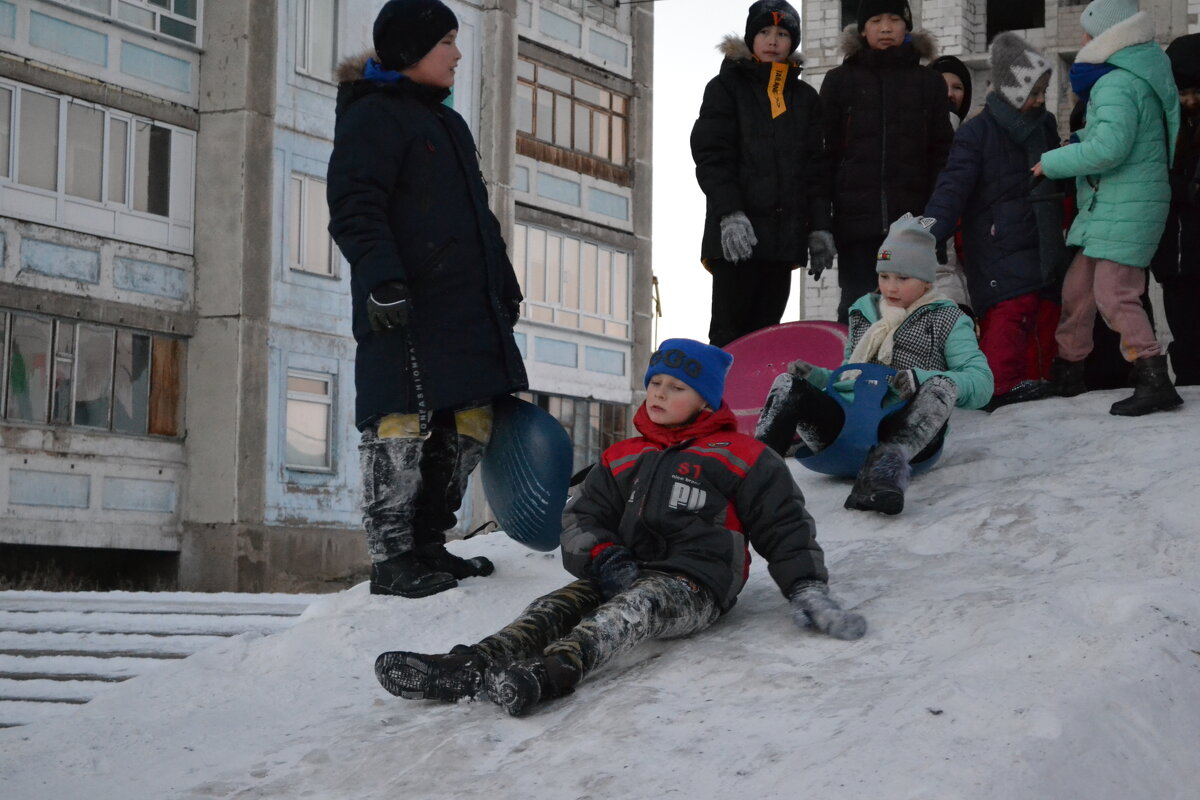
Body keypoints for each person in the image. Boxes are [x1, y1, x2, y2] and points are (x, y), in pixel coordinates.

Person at [375, 338, 866, 717]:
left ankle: (551, 672)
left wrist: (806, 587)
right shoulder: (622, 456)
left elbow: (783, 524)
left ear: (706, 402)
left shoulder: (742, 457)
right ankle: (472, 665)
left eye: (677, 389)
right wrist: (604, 556)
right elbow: (580, 518)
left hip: (693, 584)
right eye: (656, 384)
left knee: (636, 608)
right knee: (556, 604)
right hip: (621, 568)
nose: (660, 394)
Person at [327, 0, 528, 598]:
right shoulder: (372, 117)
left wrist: (504, 284)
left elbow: (477, 219)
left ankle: (431, 545)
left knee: (469, 421)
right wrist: (384, 280)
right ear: (412, 50)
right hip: (406, 306)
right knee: (401, 422)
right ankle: (392, 558)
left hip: (465, 307)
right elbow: (354, 205)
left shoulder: (448, 122)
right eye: (446, 41)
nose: (458, 54)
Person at [756, 214, 993, 515]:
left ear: (925, 280)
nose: (890, 287)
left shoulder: (947, 319)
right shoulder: (864, 313)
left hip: (901, 432)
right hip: (845, 428)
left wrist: (920, 378)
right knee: (787, 383)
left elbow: (982, 382)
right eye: (884, 276)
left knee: (941, 385)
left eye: (903, 278)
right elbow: (851, 376)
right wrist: (817, 377)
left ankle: (881, 477)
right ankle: (751, 473)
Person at [1034, 0, 1183, 416]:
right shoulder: (1130, 77)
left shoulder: (1117, 82)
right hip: (1111, 204)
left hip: (1126, 204)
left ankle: (1153, 375)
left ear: (1108, 38)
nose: (1082, 41)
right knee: (1077, 292)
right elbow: (1115, 132)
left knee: (1114, 293)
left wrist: (1052, 162)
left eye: (1088, 32)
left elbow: (1111, 149)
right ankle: (1069, 374)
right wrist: (1079, 139)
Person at [924, 33, 1067, 411]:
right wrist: (926, 233)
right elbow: (952, 187)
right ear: (1011, 90)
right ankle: (997, 396)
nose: (1039, 100)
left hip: (1045, 247)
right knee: (1006, 330)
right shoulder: (977, 132)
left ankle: (1041, 402)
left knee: (1045, 327)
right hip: (999, 253)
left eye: (1044, 91)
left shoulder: (1046, 126)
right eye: (1032, 92)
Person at [690, 0, 834, 347]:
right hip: (737, 239)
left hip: (783, 243)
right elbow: (712, 155)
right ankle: (721, 402)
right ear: (751, 38)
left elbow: (816, 170)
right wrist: (730, 214)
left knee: (767, 341)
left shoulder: (804, 98)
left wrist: (819, 228)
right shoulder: (725, 87)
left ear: (792, 42)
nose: (773, 40)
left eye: (782, 34)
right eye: (765, 32)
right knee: (728, 338)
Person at [819, 0, 954, 323]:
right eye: (876, 20)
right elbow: (823, 158)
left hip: (912, 227)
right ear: (862, 28)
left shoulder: (929, 82)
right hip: (855, 226)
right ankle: (853, 374)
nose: (885, 28)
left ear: (906, 26)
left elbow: (942, 158)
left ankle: (907, 376)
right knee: (857, 313)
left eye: (894, 19)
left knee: (911, 317)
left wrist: (935, 222)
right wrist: (821, 223)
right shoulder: (840, 81)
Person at [1150, 33, 1200, 386]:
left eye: (1198, 92)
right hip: (1173, 260)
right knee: (1185, 341)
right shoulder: (1161, 128)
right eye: (1183, 93)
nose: (1191, 101)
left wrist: (1176, 186)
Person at [927, 55, 974, 311]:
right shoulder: (917, 136)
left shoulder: (971, 137)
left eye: (958, 87)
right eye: (942, 86)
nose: (950, 94)